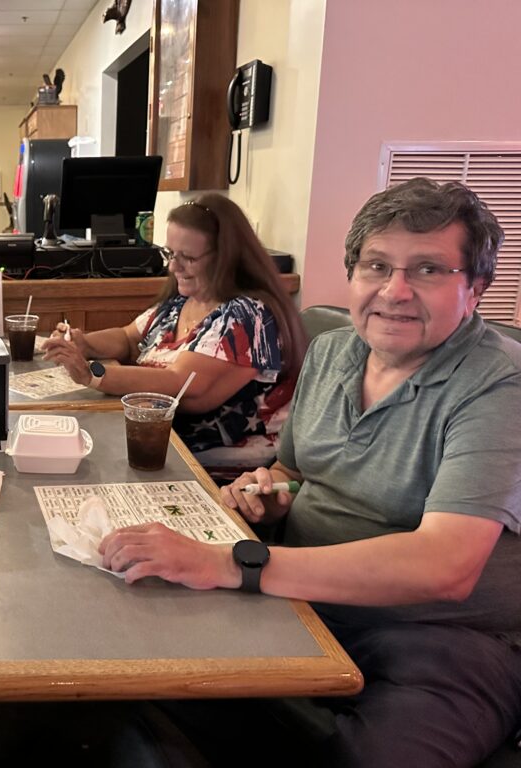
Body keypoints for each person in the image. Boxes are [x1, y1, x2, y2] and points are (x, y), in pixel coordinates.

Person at [99, 178, 521, 767]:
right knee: (127, 669)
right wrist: (272, 492)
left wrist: (232, 564)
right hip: (297, 596)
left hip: (439, 635)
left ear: (475, 287)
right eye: (376, 266)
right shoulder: (332, 352)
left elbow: (445, 565)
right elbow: (292, 469)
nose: (394, 291)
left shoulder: (500, 384)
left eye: (428, 269)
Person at [43, 194, 306, 461]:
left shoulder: (248, 315)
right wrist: (84, 343)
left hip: (217, 470)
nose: (173, 266)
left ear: (226, 257)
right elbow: (129, 337)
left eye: (188, 257)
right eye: (170, 253)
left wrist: (92, 373)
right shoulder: (183, 300)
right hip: (163, 449)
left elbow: (180, 384)